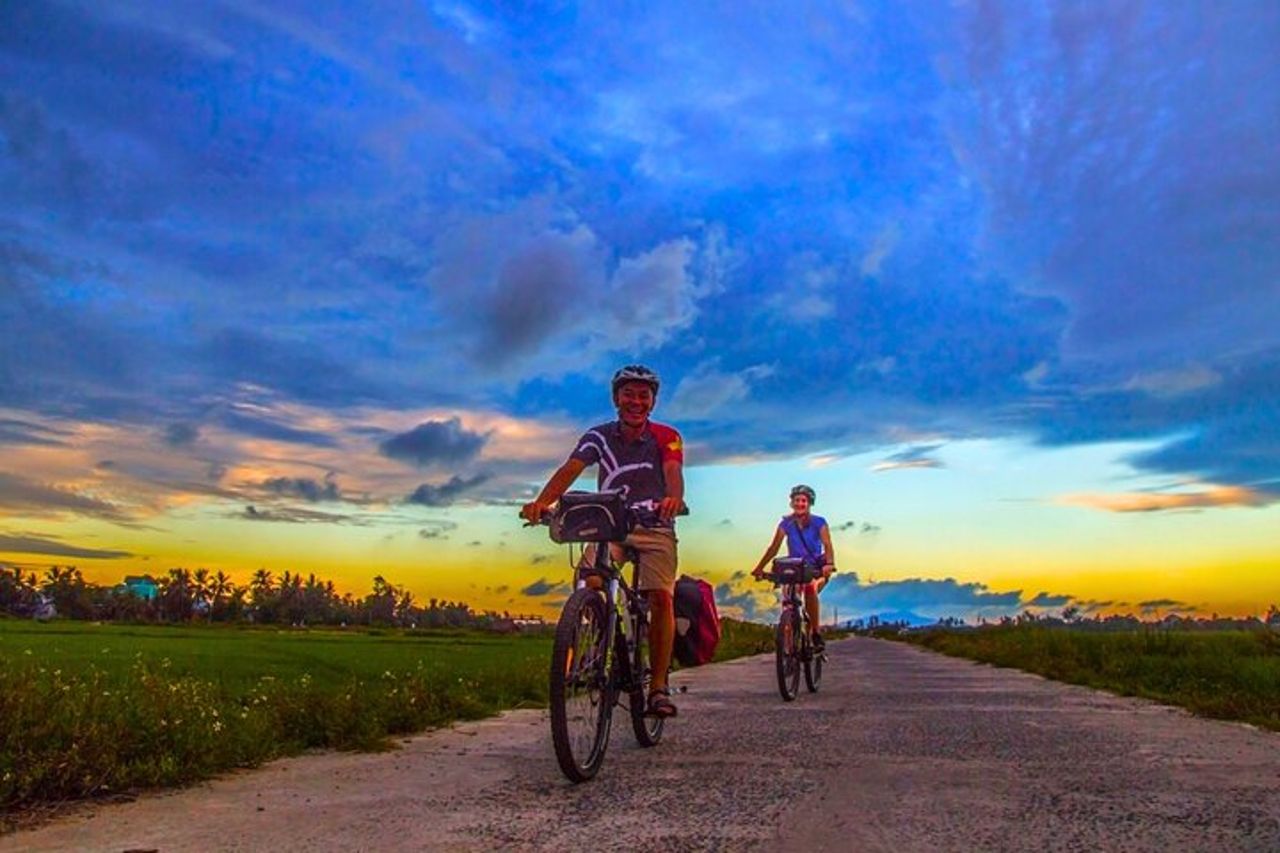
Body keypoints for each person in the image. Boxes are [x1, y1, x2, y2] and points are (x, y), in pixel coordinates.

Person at [520, 364, 685, 718]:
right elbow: (571, 468)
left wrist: (672, 499)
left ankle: (658, 686)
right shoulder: (598, 436)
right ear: (616, 399)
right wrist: (543, 503)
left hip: (654, 525)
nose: (635, 401)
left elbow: (673, 471)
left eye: (643, 395)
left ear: (653, 402)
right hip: (610, 523)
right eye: (628, 394)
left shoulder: (666, 435)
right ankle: (596, 640)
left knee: (661, 597)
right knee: (590, 578)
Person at [751, 484, 835, 651]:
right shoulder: (786, 523)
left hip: (815, 567)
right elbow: (773, 548)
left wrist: (829, 564)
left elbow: (827, 544)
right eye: (797, 500)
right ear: (791, 503)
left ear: (809, 503)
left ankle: (815, 634)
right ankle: (789, 646)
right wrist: (759, 568)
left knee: (810, 589)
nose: (800, 504)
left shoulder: (819, 522)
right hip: (794, 567)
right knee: (789, 601)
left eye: (803, 501)